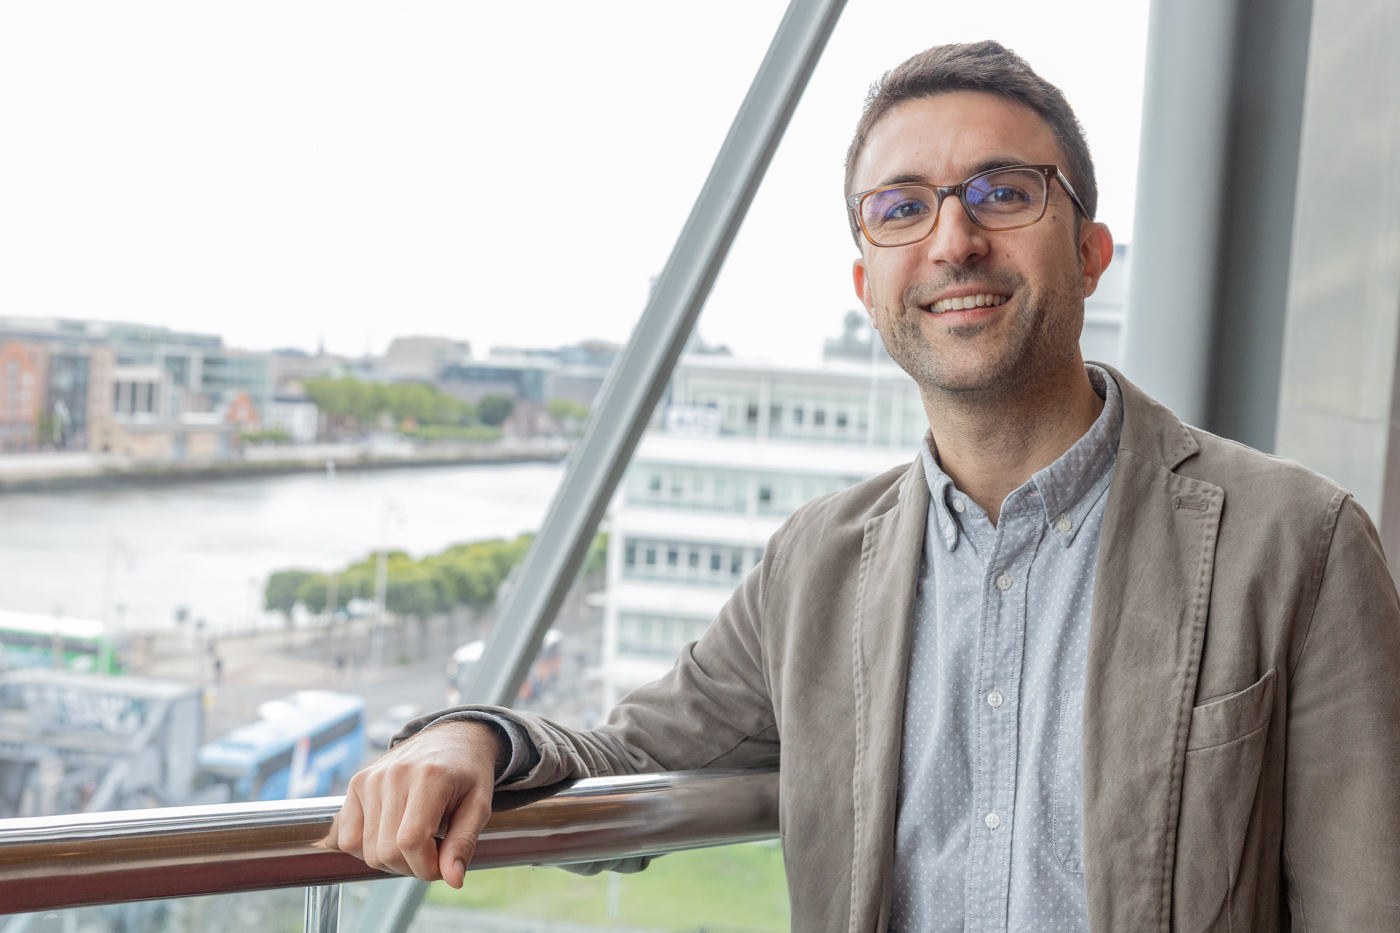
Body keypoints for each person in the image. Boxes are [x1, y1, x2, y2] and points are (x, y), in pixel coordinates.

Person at [329, 41, 1400, 932]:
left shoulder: (1293, 543)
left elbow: (1366, 906)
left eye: (1000, 191)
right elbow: (635, 753)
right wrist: (464, 736)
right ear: (865, 282)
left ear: (1088, 250)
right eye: (899, 208)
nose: (952, 239)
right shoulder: (816, 563)